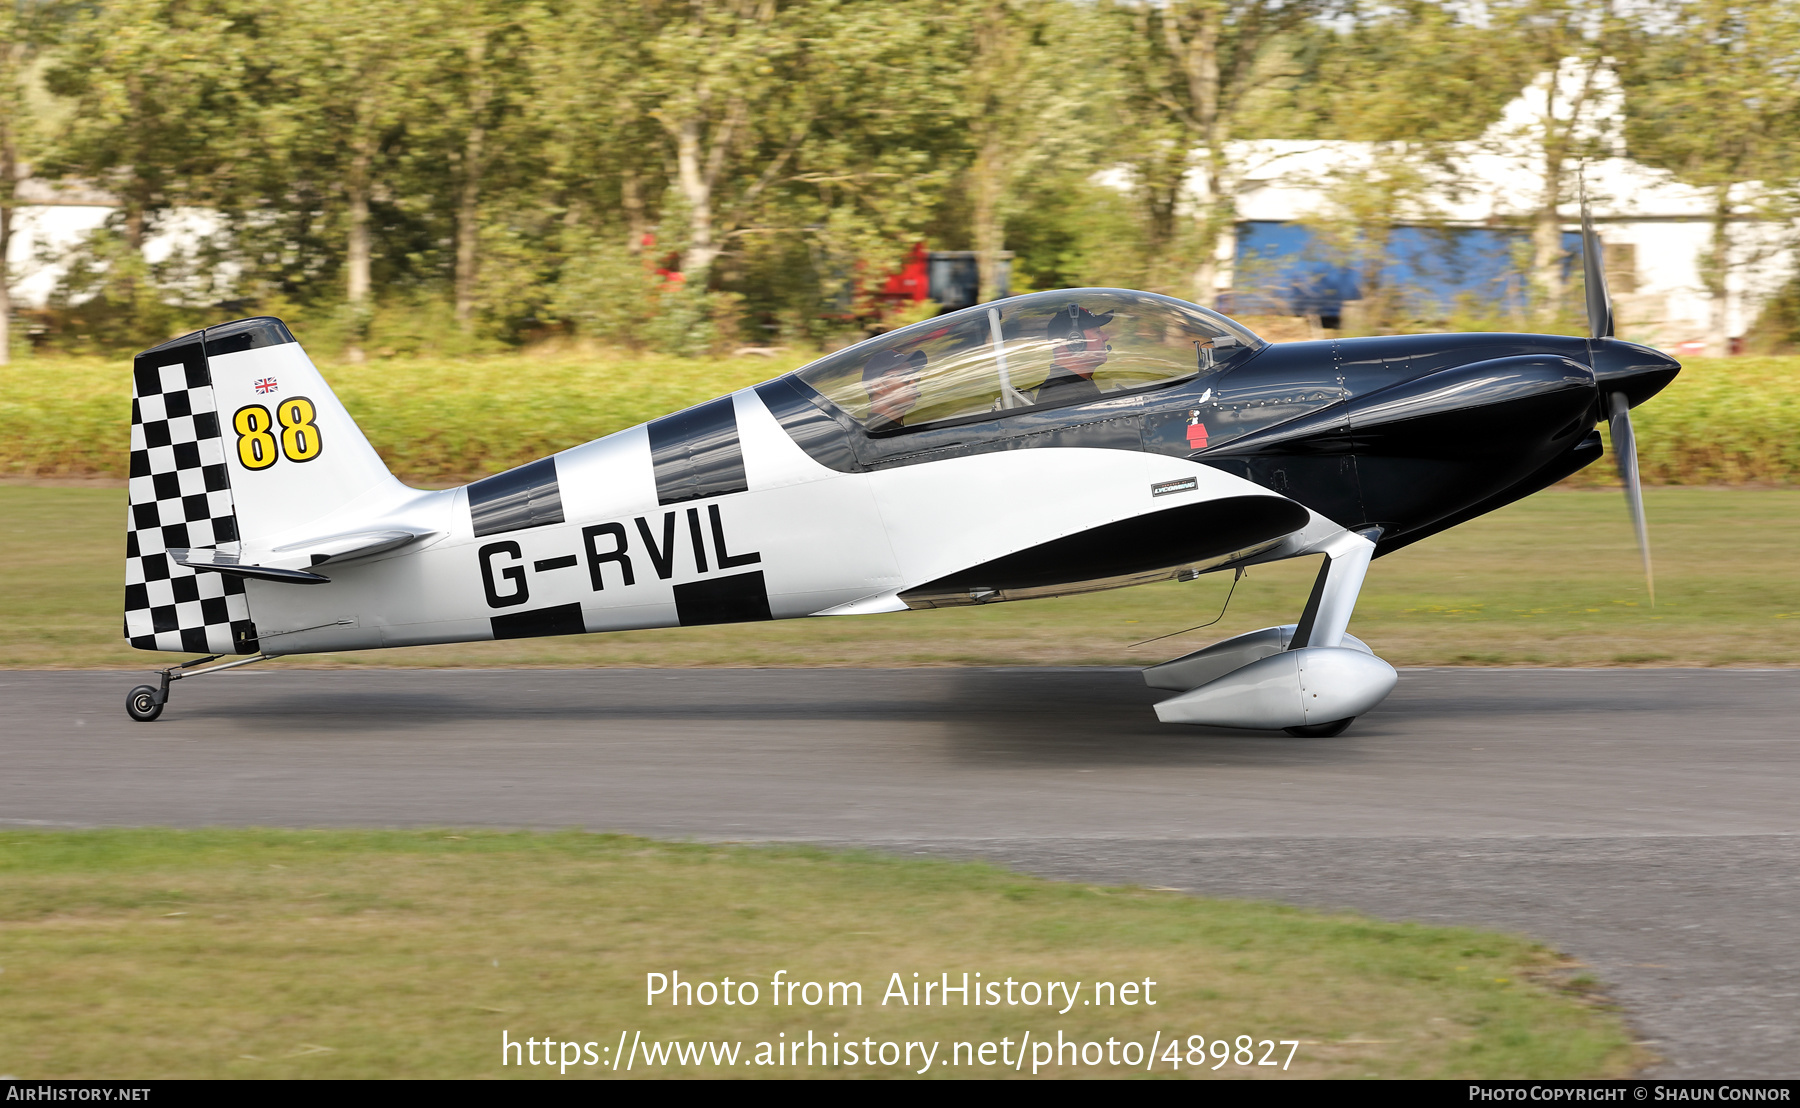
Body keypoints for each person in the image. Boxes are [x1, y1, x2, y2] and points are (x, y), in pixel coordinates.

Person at [1032, 304, 1114, 407]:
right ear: (1075, 342)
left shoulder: (1077, 384)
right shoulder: (1062, 395)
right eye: (1097, 332)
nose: (1106, 337)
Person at [861, 348, 927, 433]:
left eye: (914, 377)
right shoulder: (882, 436)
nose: (913, 383)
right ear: (878, 387)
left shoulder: (886, 432)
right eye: (904, 376)